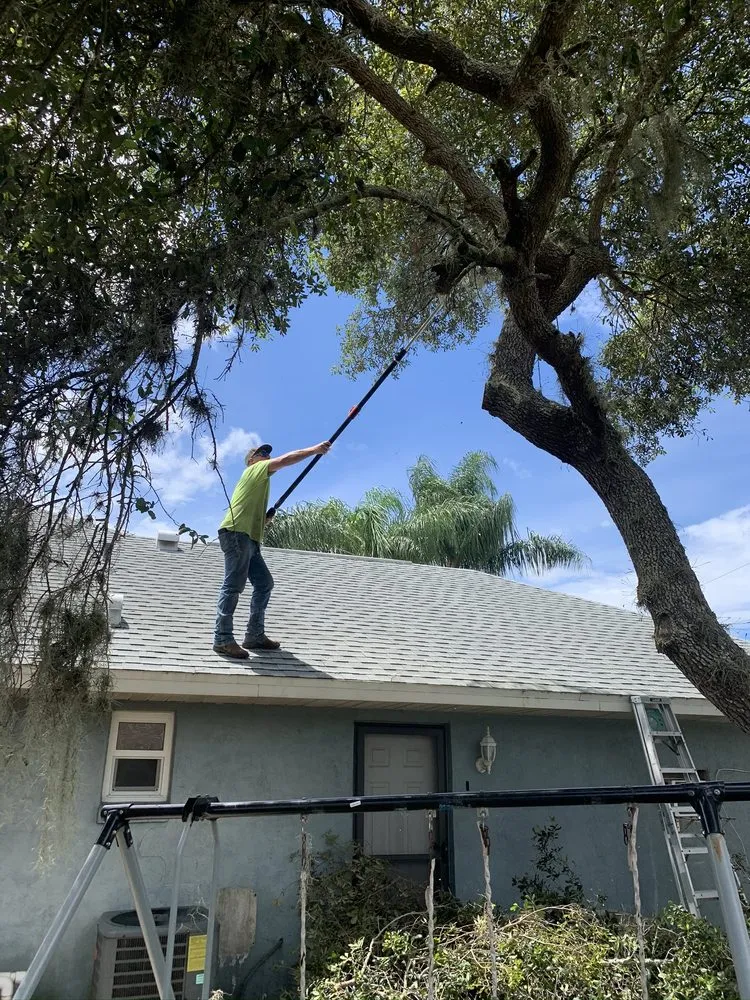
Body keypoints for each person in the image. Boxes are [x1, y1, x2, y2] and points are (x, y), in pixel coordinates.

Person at [213, 440, 331, 658]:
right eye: (261, 453)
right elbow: (286, 460)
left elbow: (248, 512)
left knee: (264, 583)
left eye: (268, 454)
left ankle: (254, 635)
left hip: (248, 537)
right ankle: (222, 638)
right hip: (237, 534)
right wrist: (314, 450)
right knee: (233, 585)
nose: (266, 456)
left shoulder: (259, 484)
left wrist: (263, 521)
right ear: (251, 460)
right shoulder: (254, 470)